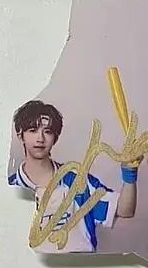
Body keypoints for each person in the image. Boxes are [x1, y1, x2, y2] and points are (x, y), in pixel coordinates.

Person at [9, 99, 138, 253]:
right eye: (32, 130)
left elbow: (124, 210)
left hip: (80, 265)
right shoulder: (11, 188)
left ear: (55, 137)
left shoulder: (77, 180)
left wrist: (129, 173)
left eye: (47, 131)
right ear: (20, 135)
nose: (40, 138)